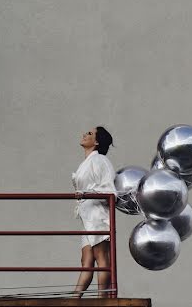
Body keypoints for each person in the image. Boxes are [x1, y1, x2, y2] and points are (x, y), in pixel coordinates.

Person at [71, 126, 115, 298]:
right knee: (86, 261)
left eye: (89, 133)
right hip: (87, 216)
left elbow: (110, 191)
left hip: (97, 215)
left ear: (96, 142)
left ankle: (102, 299)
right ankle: (74, 299)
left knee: (101, 257)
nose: (84, 134)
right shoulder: (89, 162)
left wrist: (86, 194)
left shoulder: (100, 161)